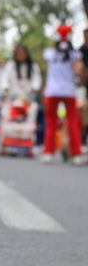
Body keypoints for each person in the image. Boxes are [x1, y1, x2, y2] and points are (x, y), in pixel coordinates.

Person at [41, 24, 84, 165]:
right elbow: (78, 71)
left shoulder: (50, 53)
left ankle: (48, 152)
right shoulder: (74, 54)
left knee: (51, 123)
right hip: (69, 92)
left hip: (52, 92)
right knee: (72, 123)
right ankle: (76, 154)